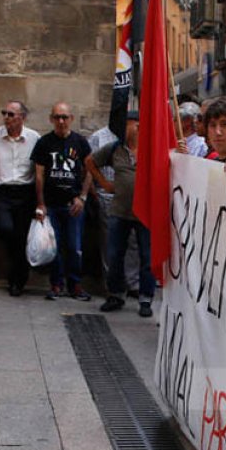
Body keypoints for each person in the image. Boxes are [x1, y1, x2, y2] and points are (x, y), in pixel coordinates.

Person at [87, 111, 154, 316]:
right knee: (115, 254)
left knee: (146, 256)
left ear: (138, 126)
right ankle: (116, 294)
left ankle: (145, 298)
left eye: (127, 125)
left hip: (145, 213)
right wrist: (105, 184)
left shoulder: (151, 148)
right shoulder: (115, 149)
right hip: (120, 211)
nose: (123, 130)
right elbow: (90, 161)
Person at [32, 102, 92, 301]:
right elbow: (39, 175)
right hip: (51, 204)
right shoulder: (44, 143)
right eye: (57, 117)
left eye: (64, 117)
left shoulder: (81, 142)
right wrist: (40, 204)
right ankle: (56, 284)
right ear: (51, 119)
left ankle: (75, 284)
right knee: (54, 246)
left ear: (71, 119)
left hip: (73, 204)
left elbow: (90, 170)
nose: (61, 121)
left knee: (75, 246)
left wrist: (83, 197)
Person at [0, 100, 40, 296]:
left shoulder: (34, 138)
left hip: (25, 192)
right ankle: (14, 273)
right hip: (0, 192)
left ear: (22, 118)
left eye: (11, 114)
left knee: (22, 236)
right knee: (6, 229)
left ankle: (18, 280)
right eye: (4, 113)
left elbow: (38, 170)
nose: (6, 118)